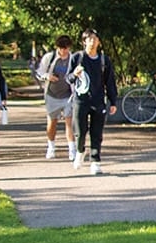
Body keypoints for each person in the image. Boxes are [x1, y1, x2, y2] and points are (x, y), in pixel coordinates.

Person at [70, 29, 117, 175]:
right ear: (84, 42)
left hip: (98, 100)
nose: (92, 41)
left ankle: (95, 161)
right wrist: (74, 74)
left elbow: (110, 81)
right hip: (81, 100)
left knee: (97, 133)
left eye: (95, 39)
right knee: (80, 130)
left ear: (99, 42)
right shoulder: (77, 58)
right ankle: (80, 151)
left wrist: (113, 100)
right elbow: (68, 78)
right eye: (89, 39)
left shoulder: (104, 60)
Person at [36, 35, 78, 161]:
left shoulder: (73, 59)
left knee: (69, 122)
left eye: (65, 48)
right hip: (52, 95)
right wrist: (47, 77)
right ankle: (51, 147)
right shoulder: (50, 58)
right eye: (61, 48)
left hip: (68, 95)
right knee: (52, 122)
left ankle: (72, 149)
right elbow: (39, 72)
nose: (63, 51)